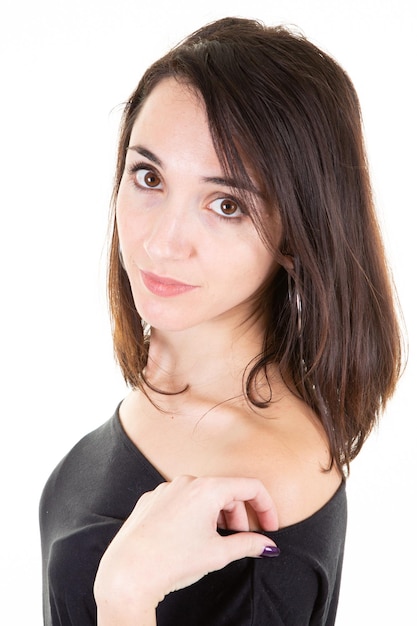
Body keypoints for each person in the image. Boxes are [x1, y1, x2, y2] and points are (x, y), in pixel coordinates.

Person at [39, 16, 403, 626]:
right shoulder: (172, 371)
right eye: (149, 177)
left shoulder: (261, 497)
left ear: (297, 235)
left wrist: (126, 600)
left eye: (226, 204)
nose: (162, 242)